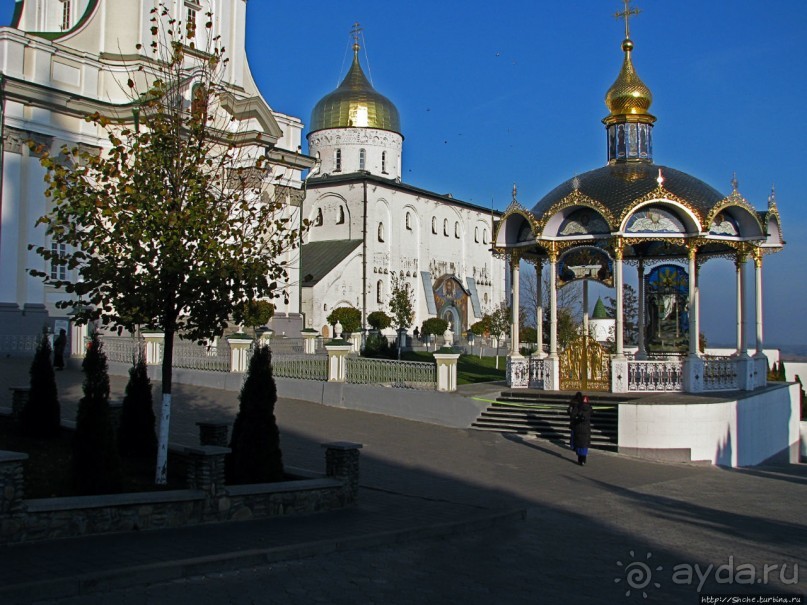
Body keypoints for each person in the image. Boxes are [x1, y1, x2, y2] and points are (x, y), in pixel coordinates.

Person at [567, 391, 592, 466]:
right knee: (584, 445)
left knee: (578, 443)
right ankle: (583, 459)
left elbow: (572, 415)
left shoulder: (577, 407)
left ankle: (580, 460)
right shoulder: (589, 408)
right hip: (586, 428)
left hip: (578, 428)